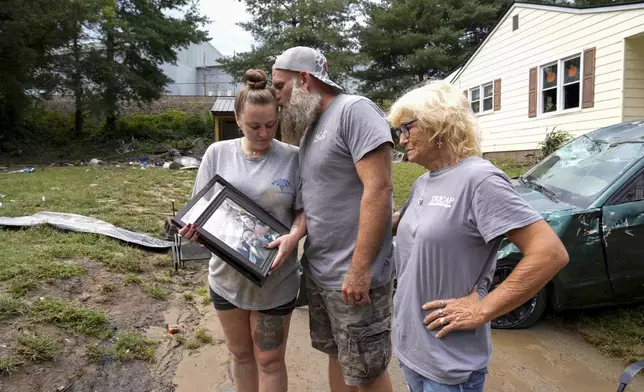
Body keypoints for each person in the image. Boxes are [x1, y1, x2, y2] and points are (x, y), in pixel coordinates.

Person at [388, 80, 570, 392]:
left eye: (407, 127)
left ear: (439, 124)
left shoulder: (480, 179)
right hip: (413, 351)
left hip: (450, 364)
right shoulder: (424, 183)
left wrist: (484, 309)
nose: (401, 139)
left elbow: (549, 253)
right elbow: (402, 227)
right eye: (398, 131)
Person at [272, 46, 395, 392]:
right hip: (321, 273)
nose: (277, 97)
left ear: (304, 79)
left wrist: (360, 269)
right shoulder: (312, 127)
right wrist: (295, 237)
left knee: (367, 371)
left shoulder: (354, 111)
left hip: (355, 276)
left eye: (280, 86)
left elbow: (380, 188)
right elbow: (316, 200)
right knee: (336, 355)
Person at [179, 69, 307, 392]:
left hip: (276, 281)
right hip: (226, 281)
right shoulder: (217, 154)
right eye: (253, 126)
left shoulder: (293, 158)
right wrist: (196, 232)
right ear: (237, 119)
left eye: (270, 125)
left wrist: (294, 236)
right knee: (240, 355)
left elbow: (304, 213)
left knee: (270, 360)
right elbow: (200, 211)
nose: (263, 134)